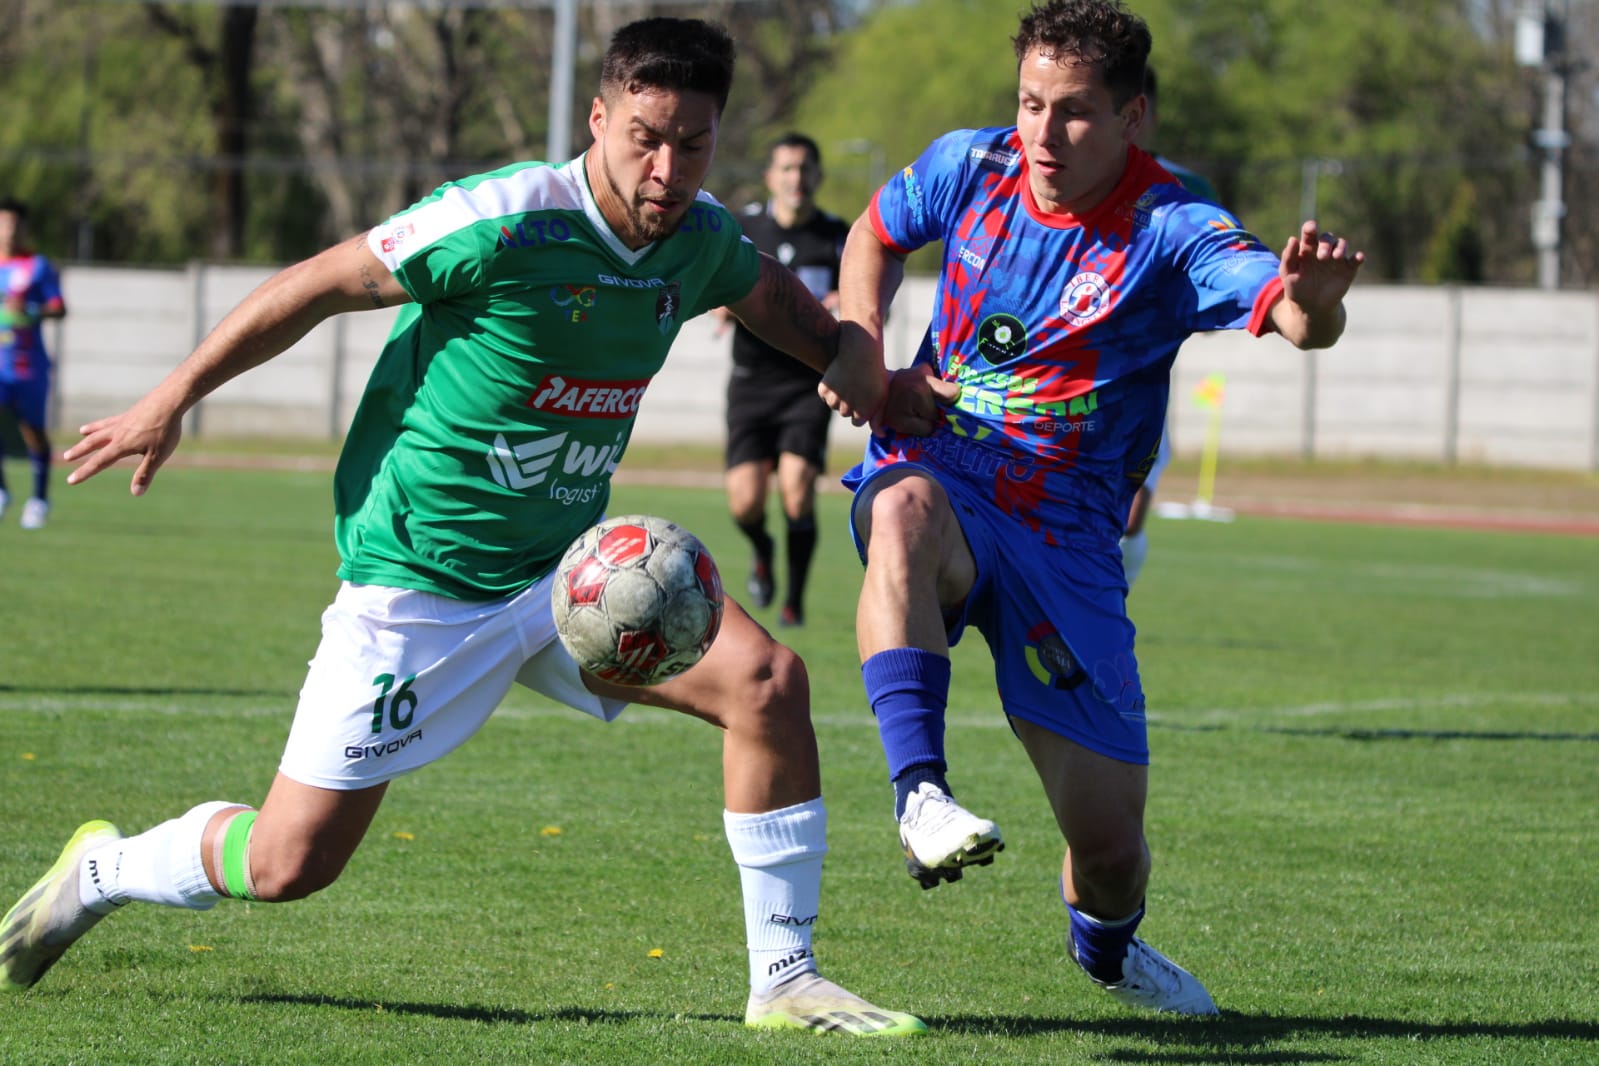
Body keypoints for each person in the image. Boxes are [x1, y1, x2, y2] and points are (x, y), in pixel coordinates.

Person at [0, 18, 925, 1038]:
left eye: (693, 143)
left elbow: (786, 311)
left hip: (571, 579)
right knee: (286, 863)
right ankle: (104, 866)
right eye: (645, 137)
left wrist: (867, 373)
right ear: (599, 117)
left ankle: (785, 979)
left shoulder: (698, 238)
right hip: (417, 582)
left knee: (768, 685)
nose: (667, 169)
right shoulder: (502, 221)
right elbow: (316, 284)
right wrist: (170, 397)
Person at [823, 0, 1364, 1016]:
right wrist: (865, 339)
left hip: (1069, 530)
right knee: (897, 508)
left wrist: (1314, 301)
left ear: (1134, 118)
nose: (1041, 133)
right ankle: (920, 793)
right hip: (944, 465)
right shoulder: (969, 166)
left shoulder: (1173, 223)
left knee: (1112, 852)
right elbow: (874, 231)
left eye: (1073, 113)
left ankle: (1106, 953)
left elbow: (1287, 313)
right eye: (1030, 104)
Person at [719, 133, 849, 627]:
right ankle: (761, 549)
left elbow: (860, 292)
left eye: (805, 169)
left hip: (807, 385)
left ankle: (794, 600)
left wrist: (844, 305)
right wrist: (719, 303)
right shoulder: (744, 229)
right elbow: (712, 280)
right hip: (752, 382)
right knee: (745, 502)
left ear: (818, 176)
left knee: (797, 490)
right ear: (770, 176)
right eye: (787, 169)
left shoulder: (836, 236)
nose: (797, 178)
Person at [1120, 64, 1216, 585]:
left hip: (1141, 377)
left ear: (1143, 115)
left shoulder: (1185, 189)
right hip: (1055, 376)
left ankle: (1109, 602)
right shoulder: (1058, 177)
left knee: (1130, 516)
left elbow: (1218, 284)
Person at [0, 197, 67, 530]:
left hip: (28, 365)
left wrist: (31, 312)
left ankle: (39, 499)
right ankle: (1, 492)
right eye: (3, 224)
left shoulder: (37, 267)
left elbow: (59, 307)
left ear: (24, 228)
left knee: (32, 432)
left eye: (14, 225)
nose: (8, 232)